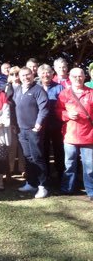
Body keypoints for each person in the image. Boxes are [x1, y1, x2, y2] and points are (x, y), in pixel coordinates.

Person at [56, 68, 93, 200]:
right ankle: (67, 188)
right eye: (75, 76)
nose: (78, 78)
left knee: (89, 166)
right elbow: (58, 111)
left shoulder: (91, 93)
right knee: (69, 164)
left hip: (88, 135)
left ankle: (91, 191)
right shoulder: (64, 94)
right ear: (70, 78)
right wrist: (67, 114)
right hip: (70, 134)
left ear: (84, 77)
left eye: (80, 76)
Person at [13, 67, 49, 198]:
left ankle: (42, 186)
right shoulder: (18, 90)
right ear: (20, 77)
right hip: (21, 131)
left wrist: (38, 125)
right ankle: (31, 183)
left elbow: (44, 108)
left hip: (34, 130)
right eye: (23, 75)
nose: (25, 77)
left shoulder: (38, 90)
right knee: (28, 158)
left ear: (32, 75)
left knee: (37, 157)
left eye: (28, 75)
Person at [37, 64, 64, 180]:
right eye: (43, 73)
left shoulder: (59, 87)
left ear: (52, 74)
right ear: (39, 75)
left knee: (58, 149)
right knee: (44, 149)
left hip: (56, 124)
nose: (45, 75)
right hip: (41, 124)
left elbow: (64, 105)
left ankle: (61, 174)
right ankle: (45, 175)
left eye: (48, 72)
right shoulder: (36, 88)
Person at [4, 66, 25, 176]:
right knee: (12, 146)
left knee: (22, 147)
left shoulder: (25, 87)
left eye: (17, 74)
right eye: (12, 74)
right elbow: (6, 105)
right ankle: (10, 169)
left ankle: (23, 169)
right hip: (11, 121)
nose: (15, 77)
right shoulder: (6, 88)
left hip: (23, 121)